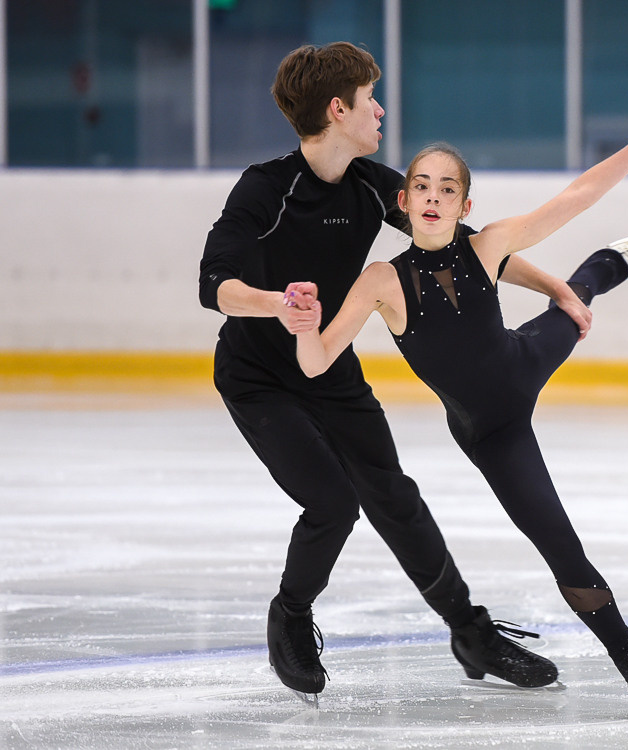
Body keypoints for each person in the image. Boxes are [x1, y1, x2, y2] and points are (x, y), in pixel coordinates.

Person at [198, 42, 592, 701]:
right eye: (369, 99)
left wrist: (556, 288)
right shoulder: (266, 188)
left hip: (330, 370)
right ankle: (290, 614)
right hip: (258, 374)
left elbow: (460, 247)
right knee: (332, 503)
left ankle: (470, 633)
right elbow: (214, 284)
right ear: (338, 109)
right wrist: (277, 305)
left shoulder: (369, 184)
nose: (379, 110)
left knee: (394, 497)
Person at [287, 98, 628, 718]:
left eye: (447, 189)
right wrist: (303, 326)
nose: (433, 197)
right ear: (404, 201)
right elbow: (316, 363)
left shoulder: (488, 245)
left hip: (523, 362)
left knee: (571, 306)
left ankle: (600, 269)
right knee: (560, 544)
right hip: (493, 432)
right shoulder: (380, 281)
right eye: (423, 186)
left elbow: (579, 195)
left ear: (464, 206)